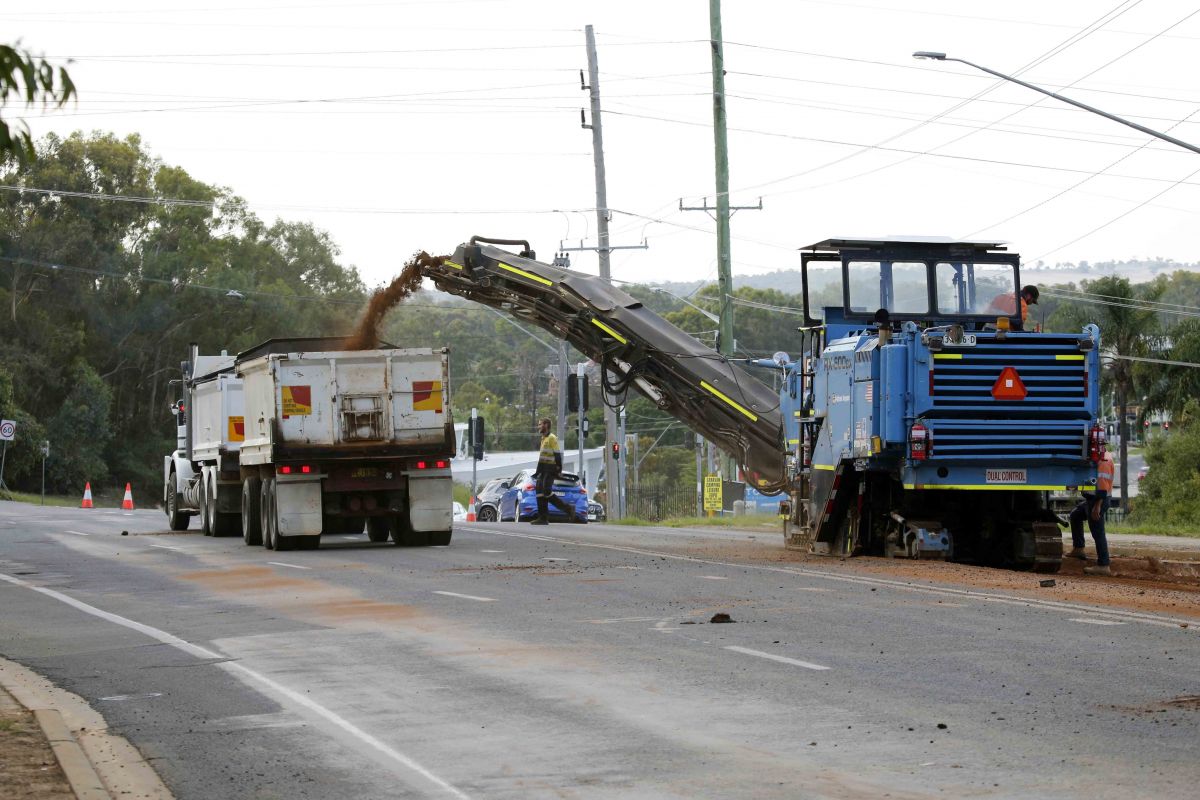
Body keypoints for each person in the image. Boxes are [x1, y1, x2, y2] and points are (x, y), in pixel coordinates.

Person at [1068, 448, 1114, 576]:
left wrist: (1097, 506)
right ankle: (1079, 548)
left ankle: (1104, 565)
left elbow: (1103, 488)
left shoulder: (1104, 461)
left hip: (1098, 501)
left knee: (1098, 532)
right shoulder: (1102, 456)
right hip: (1092, 500)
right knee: (1076, 515)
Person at [532, 417, 576, 525]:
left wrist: (559, 469)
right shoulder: (543, 438)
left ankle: (568, 509)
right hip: (543, 469)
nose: (538, 426)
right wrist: (538, 472)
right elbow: (542, 457)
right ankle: (542, 518)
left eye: (540, 424)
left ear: (546, 425)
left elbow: (557, 454)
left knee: (546, 491)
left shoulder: (552, 438)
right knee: (539, 492)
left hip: (550, 469)